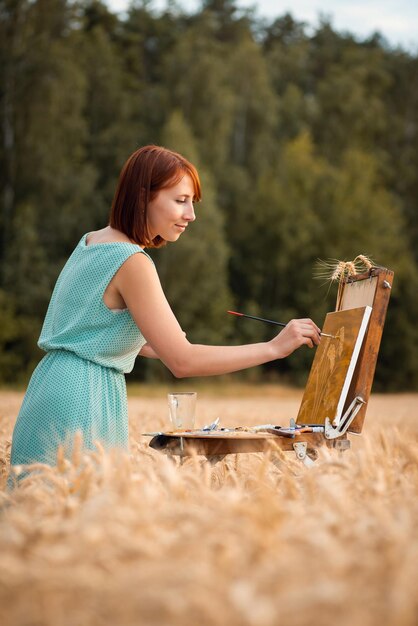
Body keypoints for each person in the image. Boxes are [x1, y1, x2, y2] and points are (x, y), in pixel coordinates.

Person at [9, 145, 321, 474]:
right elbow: (183, 361)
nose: (191, 215)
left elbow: (85, 328)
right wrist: (273, 347)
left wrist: (142, 343)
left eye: (192, 203)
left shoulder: (90, 242)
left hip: (46, 391)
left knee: (39, 516)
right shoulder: (132, 261)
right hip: (84, 401)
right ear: (144, 196)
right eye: (180, 200)